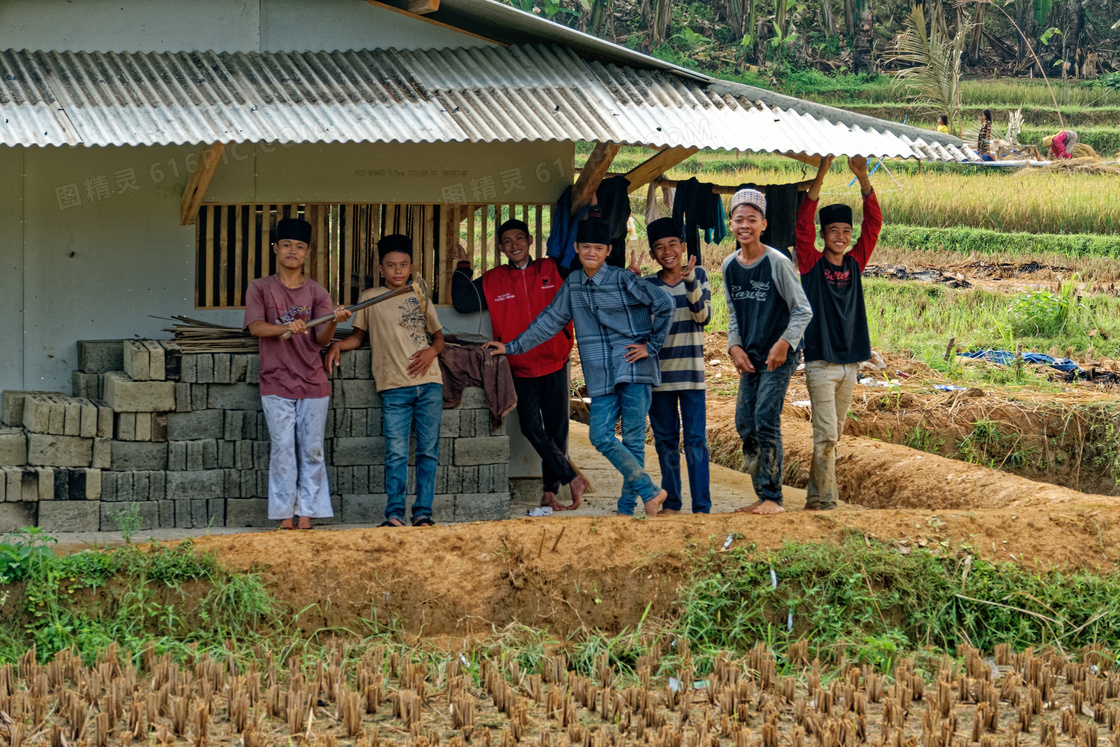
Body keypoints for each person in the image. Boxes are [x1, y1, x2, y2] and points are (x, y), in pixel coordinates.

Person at [485, 218, 673, 517]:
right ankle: (649, 490)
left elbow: (664, 304)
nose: (591, 252)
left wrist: (651, 346)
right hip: (600, 374)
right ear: (576, 247)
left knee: (635, 439)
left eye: (598, 248)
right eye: (586, 247)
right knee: (600, 436)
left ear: (608, 250)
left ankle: (628, 508)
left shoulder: (624, 278)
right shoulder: (572, 283)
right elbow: (549, 322)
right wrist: (511, 347)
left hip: (634, 367)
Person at [450, 219, 589, 512]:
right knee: (530, 427)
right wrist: (462, 265)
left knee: (557, 430)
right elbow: (463, 301)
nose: (515, 245)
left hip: (555, 362)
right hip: (519, 367)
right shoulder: (493, 279)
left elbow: (588, 268)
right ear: (500, 248)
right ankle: (571, 478)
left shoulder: (553, 269)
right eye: (507, 242)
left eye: (519, 239)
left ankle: (550, 492)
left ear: (529, 240)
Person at [326, 234, 445, 528]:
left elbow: (439, 337)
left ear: (412, 267)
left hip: (429, 383)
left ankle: (423, 514)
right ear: (381, 269)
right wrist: (337, 344)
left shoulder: (419, 293)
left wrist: (431, 351)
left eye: (403, 264)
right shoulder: (370, 298)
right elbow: (357, 336)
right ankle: (394, 515)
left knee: (428, 452)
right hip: (393, 387)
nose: (397, 270)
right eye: (391, 265)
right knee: (396, 452)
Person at [245, 218, 351, 530]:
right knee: (282, 450)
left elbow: (321, 340)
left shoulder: (318, 293)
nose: (293, 251)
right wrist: (285, 327)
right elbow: (255, 327)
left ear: (307, 253)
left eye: (300, 246)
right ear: (276, 248)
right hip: (275, 380)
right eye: (288, 245)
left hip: (313, 381)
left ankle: (307, 514)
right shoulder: (260, 288)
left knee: (313, 450)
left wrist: (333, 320)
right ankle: (284, 515)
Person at [795, 155, 881, 511]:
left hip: (851, 364)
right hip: (820, 362)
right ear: (823, 235)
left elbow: (874, 224)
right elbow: (801, 222)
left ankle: (816, 497)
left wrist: (863, 179)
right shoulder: (811, 264)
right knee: (826, 434)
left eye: (846, 232)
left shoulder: (856, 263)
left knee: (833, 435)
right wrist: (822, 172)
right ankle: (827, 501)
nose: (842, 237)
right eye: (834, 232)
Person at [722, 189, 813, 516]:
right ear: (730, 223)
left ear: (763, 224)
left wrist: (784, 343)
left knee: (765, 418)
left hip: (780, 353)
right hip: (751, 353)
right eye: (738, 219)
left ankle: (773, 498)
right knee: (745, 422)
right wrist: (734, 346)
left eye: (751, 219)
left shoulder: (777, 262)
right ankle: (763, 495)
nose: (744, 225)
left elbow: (802, 310)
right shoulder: (729, 265)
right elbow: (733, 312)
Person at [642, 218, 713, 515]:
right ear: (652, 254)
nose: (667, 251)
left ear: (683, 248)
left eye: (672, 245)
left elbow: (704, 317)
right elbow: (639, 327)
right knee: (666, 441)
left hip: (692, 377)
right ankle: (672, 501)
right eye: (659, 247)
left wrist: (689, 283)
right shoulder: (646, 285)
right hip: (659, 378)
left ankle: (702, 505)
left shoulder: (699, 276)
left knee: (696, 441)